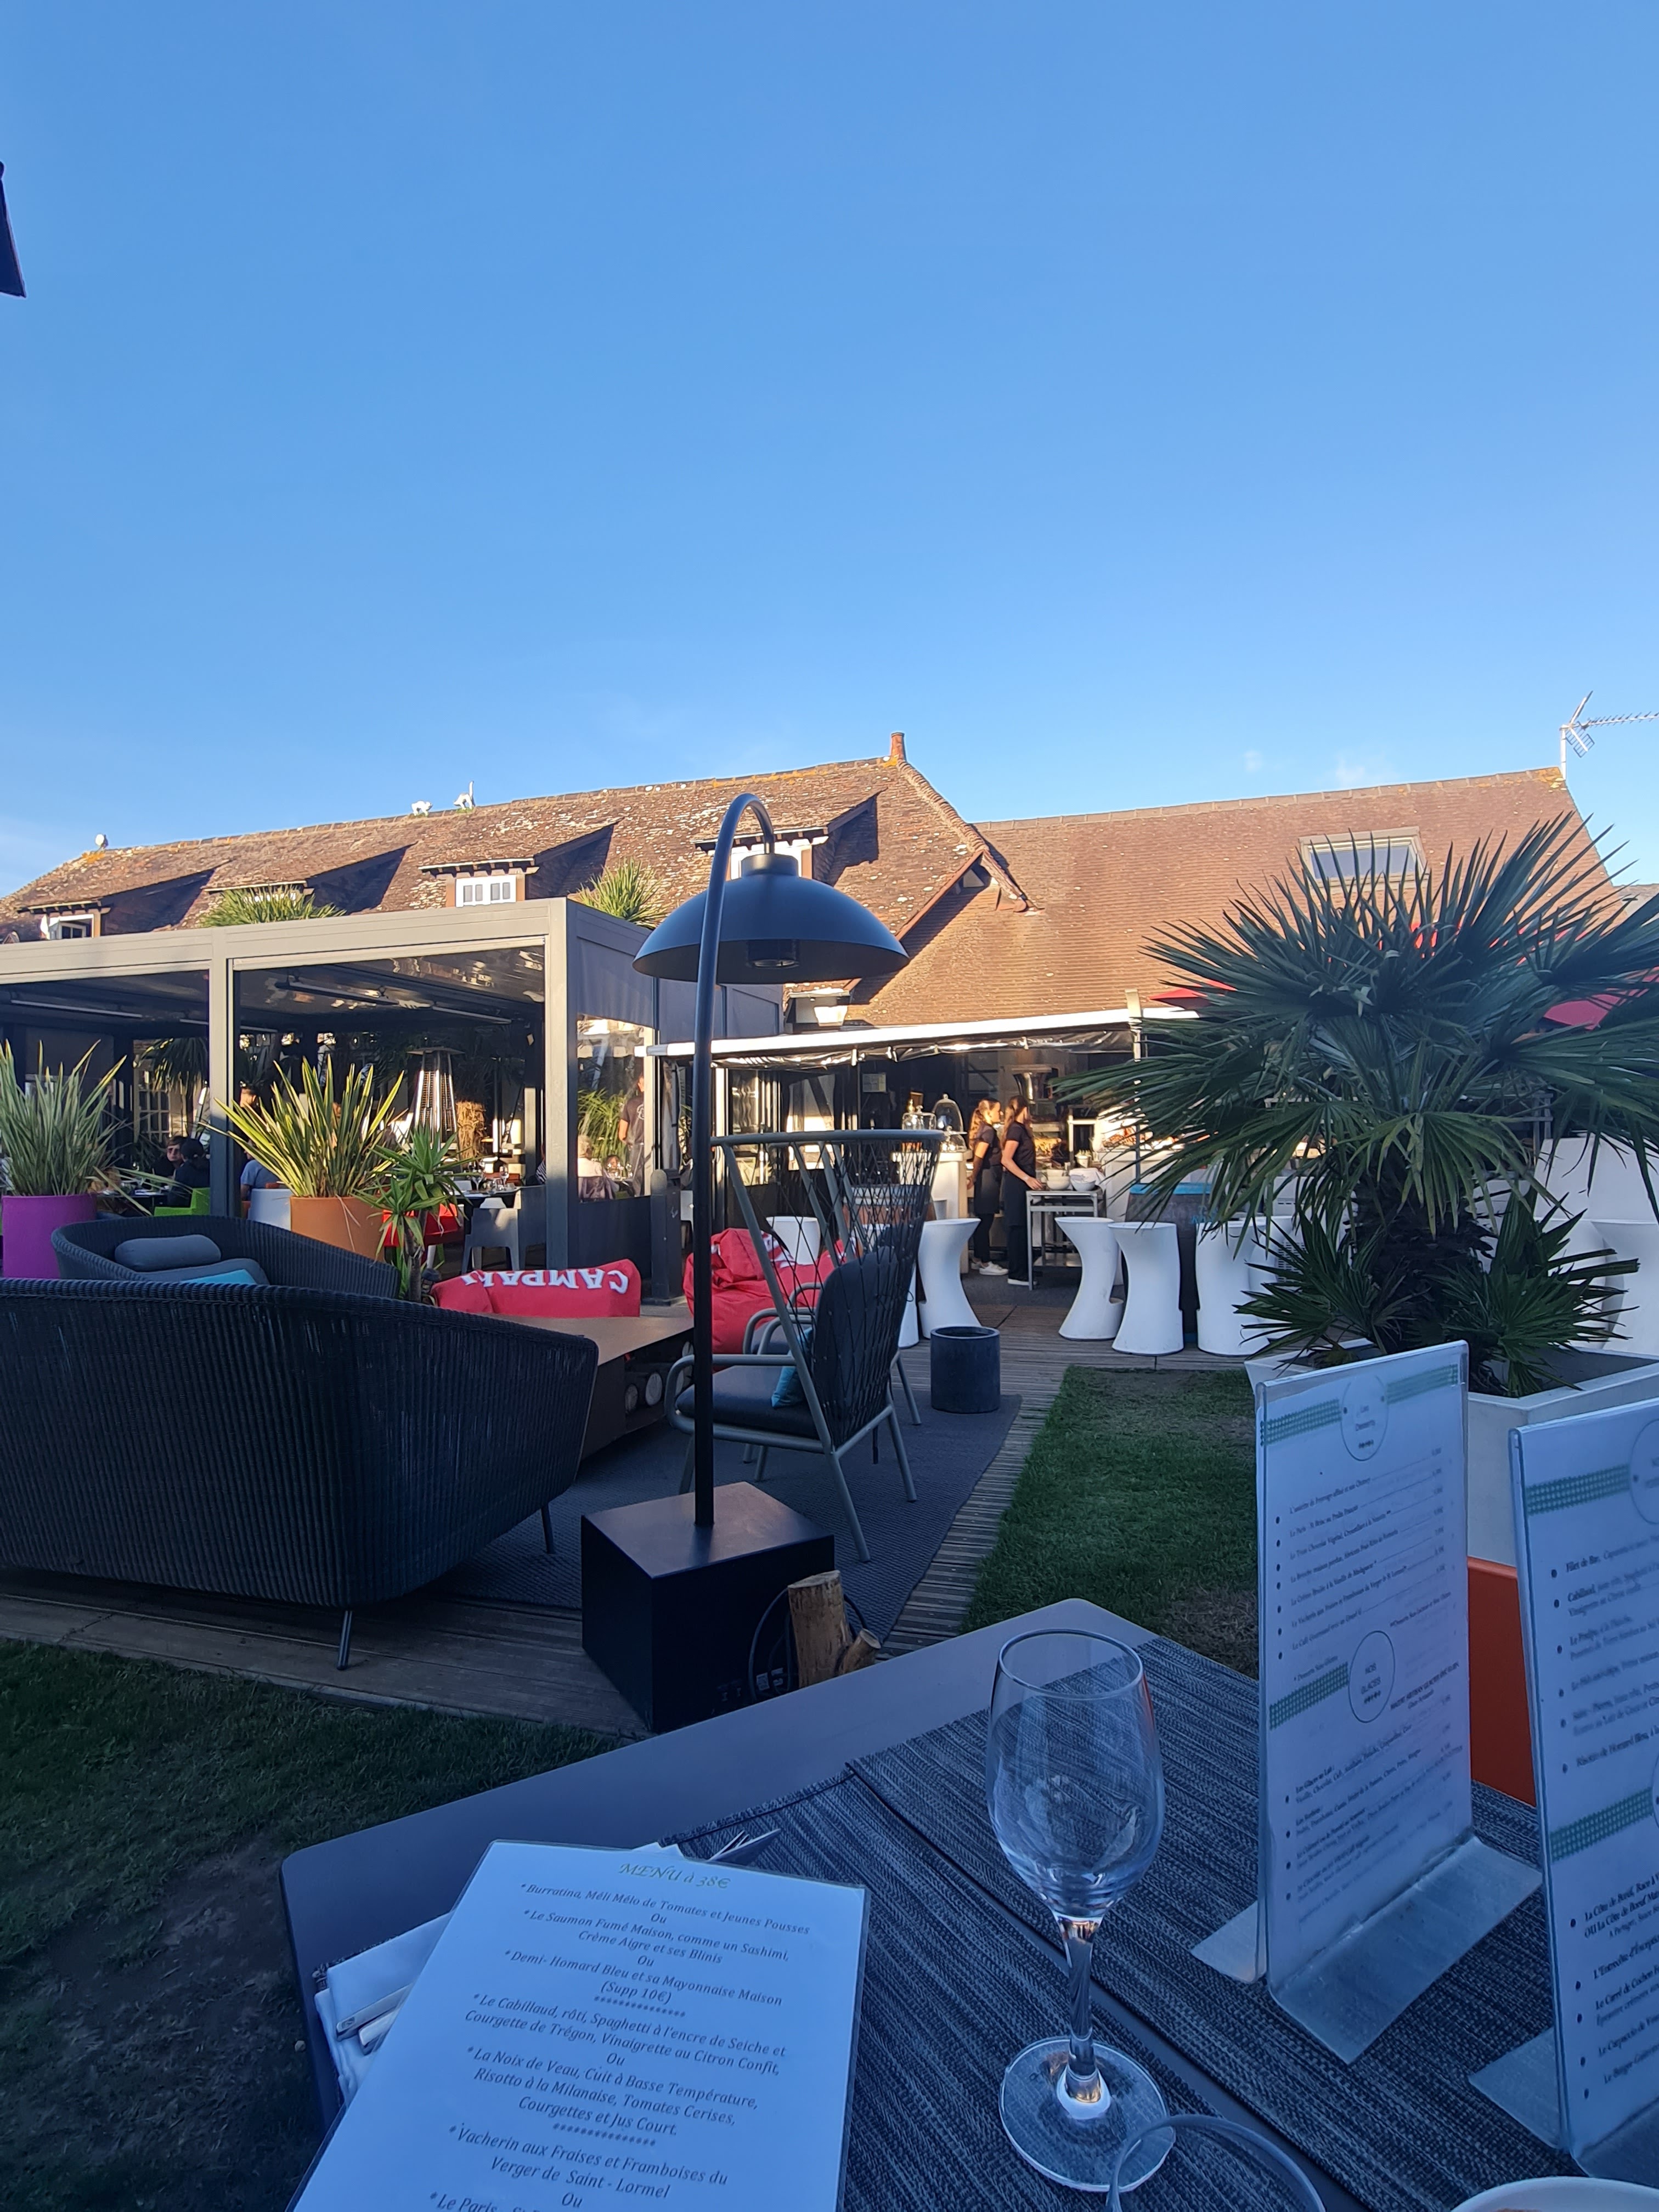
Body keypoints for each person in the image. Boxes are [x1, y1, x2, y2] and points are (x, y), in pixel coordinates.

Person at [998, 1096, 1041, 1284]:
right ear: (1024, 1110)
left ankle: (1024, 1269)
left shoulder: (1020, 1129)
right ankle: (1017, 1273)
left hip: (1021, 1184)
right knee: (1017, 1227)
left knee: (1023, 1226)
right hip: (1016, 1185)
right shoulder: (1016, 1129)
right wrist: (1027, 1178)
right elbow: (1006, 1160)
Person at [967, 1098, 1005, 1274]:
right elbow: (979, 1156)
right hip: (987, 1178)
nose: (1001, 1114)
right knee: (985, 1220)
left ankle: (977, 1257)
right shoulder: (988, 1131)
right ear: (988, 1113)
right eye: (998, 1111)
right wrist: (974, 1177)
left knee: (983, 1219)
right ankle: (985, 1261)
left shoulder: (984, 1129)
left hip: (988, 1177)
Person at [157, 1133, 211, 1209]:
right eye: (170, 1150)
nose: (173, 1154)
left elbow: (174, 1201)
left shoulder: (184, 1171)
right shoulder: (213, 1168)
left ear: (183, 1155)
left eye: (177, 1151)